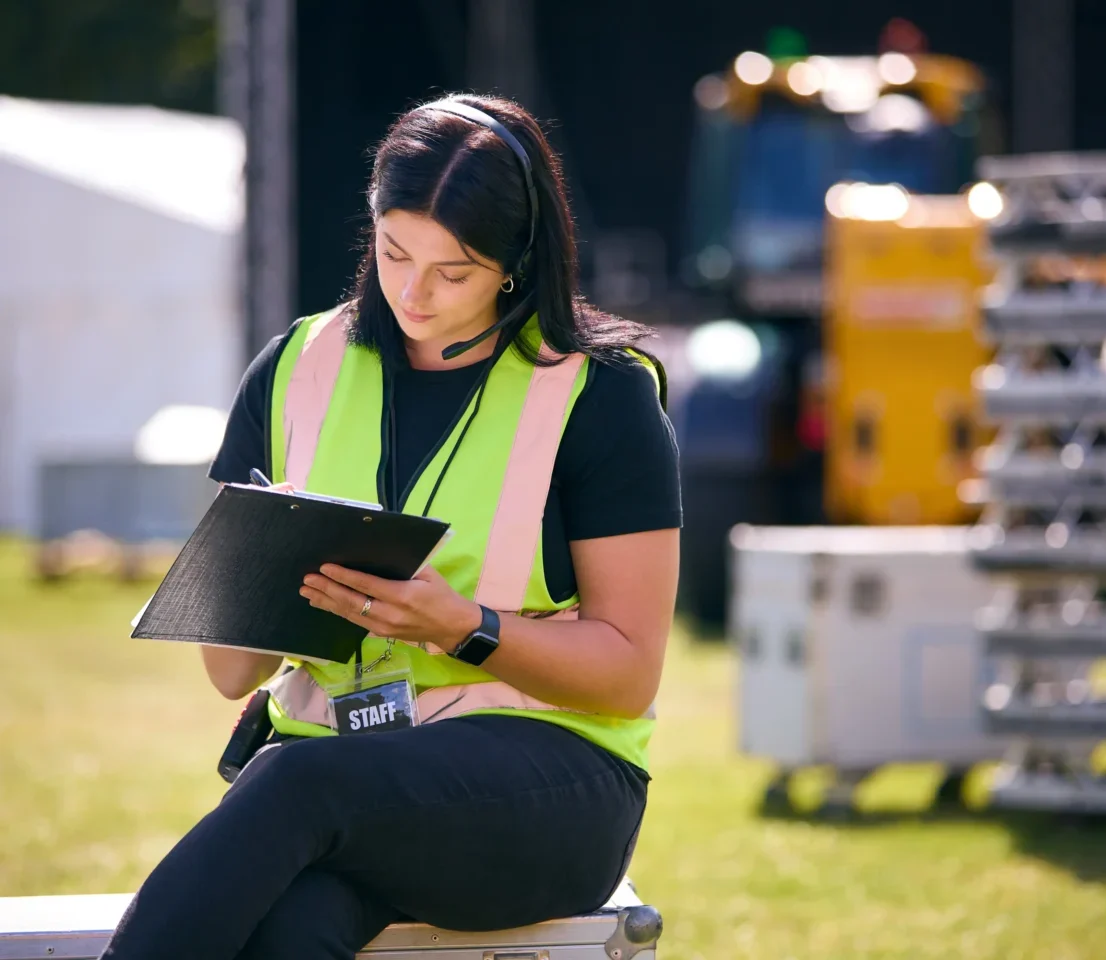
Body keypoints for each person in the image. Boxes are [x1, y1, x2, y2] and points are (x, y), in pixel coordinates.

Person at [101, 94, 681, 960]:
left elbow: (629, 674)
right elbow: (230, 675)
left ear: (515, 263)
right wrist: (269, 566)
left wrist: (467, 628)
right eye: (394, 251)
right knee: (293, 932)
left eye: (453, 272)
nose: (412, 292)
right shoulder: (295, 367)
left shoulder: (603, 396)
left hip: (551, 786)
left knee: (291, 785)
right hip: (345, 787)